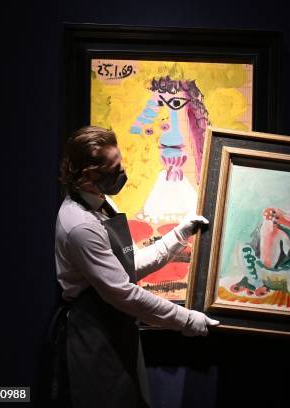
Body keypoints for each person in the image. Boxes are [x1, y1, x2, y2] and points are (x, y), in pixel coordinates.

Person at [49, 125, 219, 408]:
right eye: (115, 169)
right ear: (89, 176)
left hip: (117, 325)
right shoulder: (80, 225)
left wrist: (178, 235)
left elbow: (128, 264)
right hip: (95, 335)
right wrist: (187, 320)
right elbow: (123, 292)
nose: (123, 173)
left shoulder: (104, 204)